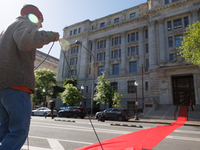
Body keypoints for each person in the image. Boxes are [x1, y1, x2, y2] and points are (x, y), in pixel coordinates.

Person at [0, 4, 59, 150]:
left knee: (4, 130)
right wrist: (50, 35)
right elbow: (25, 41)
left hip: (3, 87)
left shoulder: (7, 28)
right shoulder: (24, 23)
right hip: (17, 86)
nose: (41, 25)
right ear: (33, 17)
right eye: (40, 20)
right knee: (18, 131)